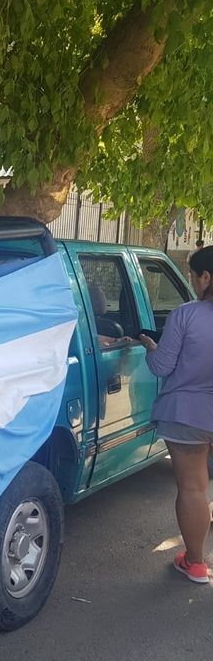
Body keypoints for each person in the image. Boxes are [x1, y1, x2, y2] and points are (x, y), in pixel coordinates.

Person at [138, 245, 213, 583]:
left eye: (193, 276)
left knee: (194, 489)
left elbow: (162, 366)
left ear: (206, 278)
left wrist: (150, 347)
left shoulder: (186, 315)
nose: (192, 282)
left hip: (187, 414)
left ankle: (195, 563)